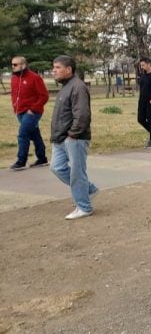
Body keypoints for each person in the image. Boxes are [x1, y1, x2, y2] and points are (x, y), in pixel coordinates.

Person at [49, 55, 99, 220]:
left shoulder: (77, 87)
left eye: (57, 67)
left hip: (75, 138)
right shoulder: (65, 86)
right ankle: (89, 190)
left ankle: (84, 207)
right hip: (60, 138)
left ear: (68, 69)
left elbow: (82, 114)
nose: (53, 71)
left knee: (77, 173)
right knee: (56, 167)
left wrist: (73, 134)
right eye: (53, 67)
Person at [10, 56, 49, 171]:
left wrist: (33, 109)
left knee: (23, 135)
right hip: (19, 111)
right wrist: (15, 107)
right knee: (34, 135)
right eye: (12, 64)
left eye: (16, 64)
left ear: (23, 65)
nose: (13, 67)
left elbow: (44, 96)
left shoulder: (34, 77)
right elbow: (14, 94)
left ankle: (21, 161)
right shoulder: (14, 78)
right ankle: (42, 159)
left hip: (32, 112)